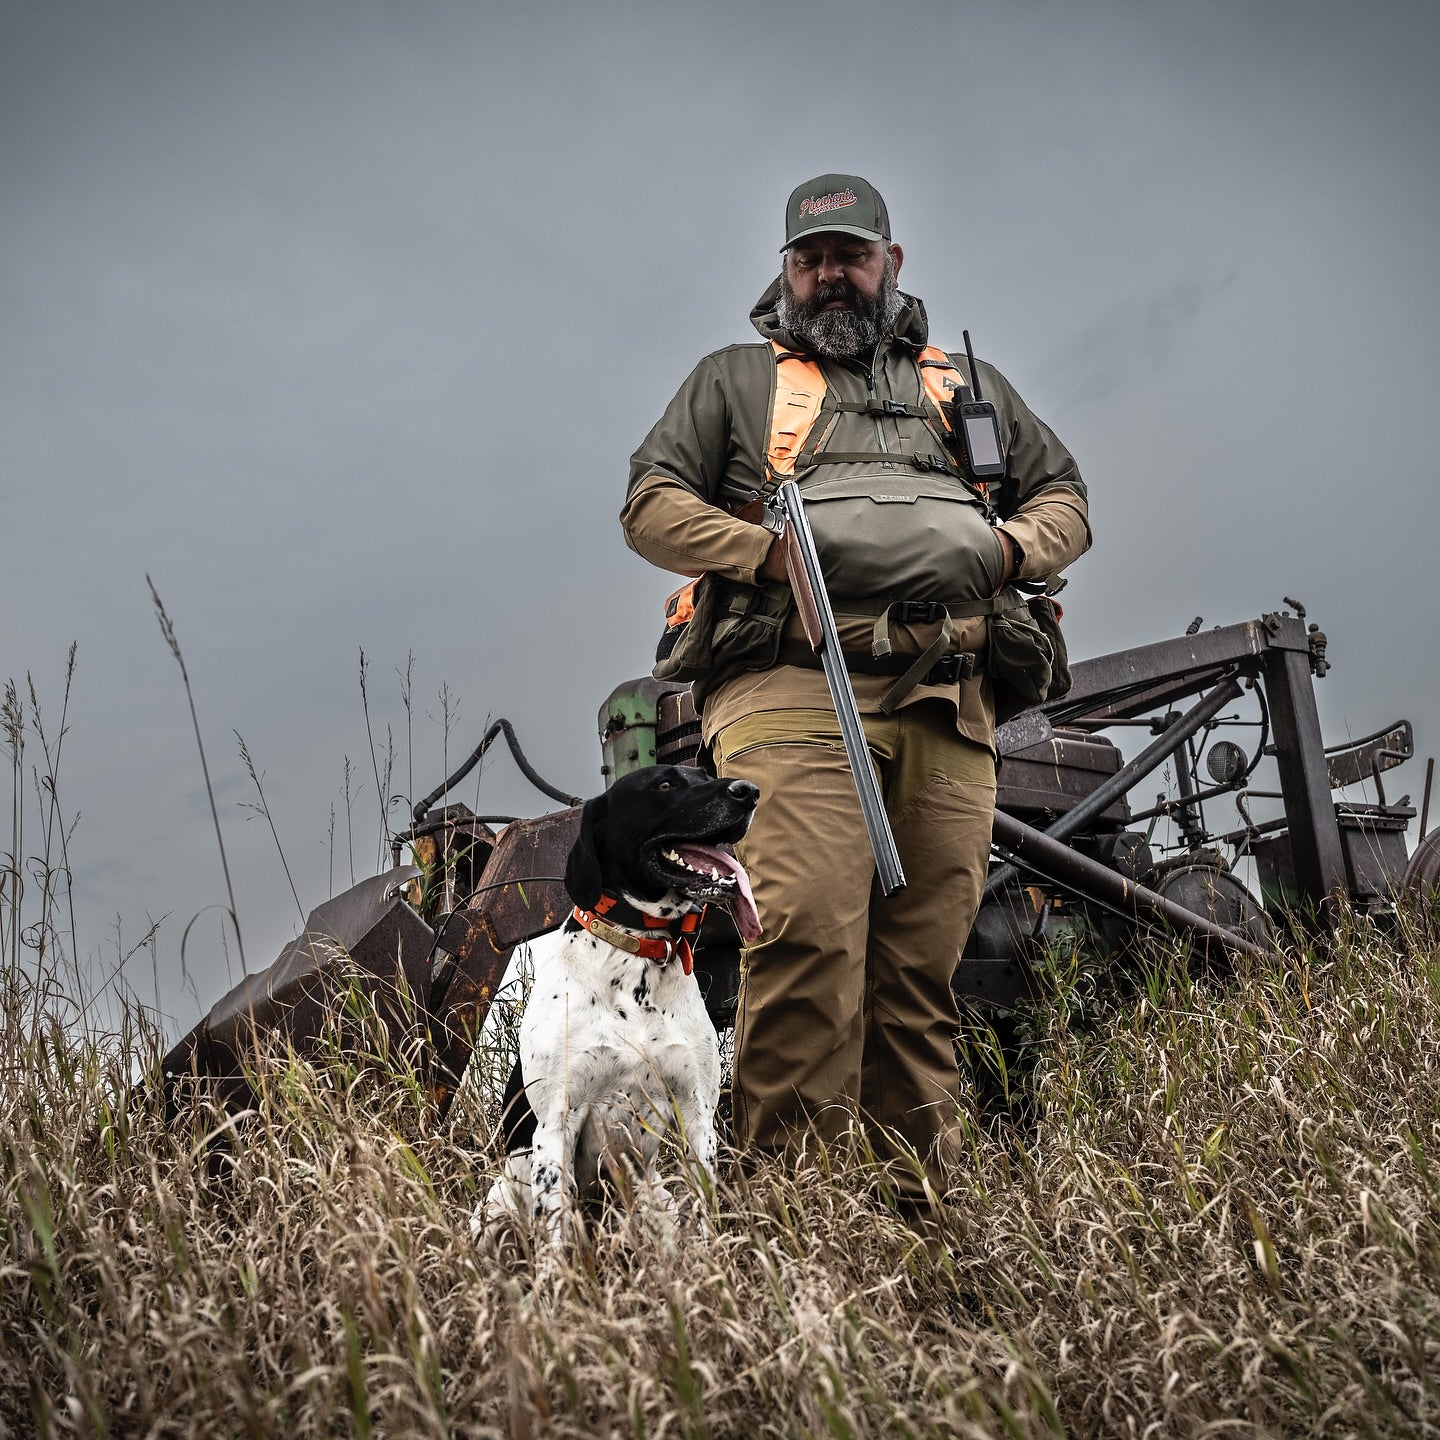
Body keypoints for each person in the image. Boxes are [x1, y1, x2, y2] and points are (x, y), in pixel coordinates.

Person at [620, 173, 1090, 1211]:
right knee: (805, 952)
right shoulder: (738, 381)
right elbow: (651, 506)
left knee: (922, 984)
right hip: (796, 694)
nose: (830, 275)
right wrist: (762, 552)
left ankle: (917, 1235)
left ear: (892, 263)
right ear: (786, 270)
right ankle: (798, 1238)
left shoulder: (963, 389)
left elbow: (1066, 497)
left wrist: (1012, 549)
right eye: (809, 258)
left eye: (850, 255)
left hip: (951, 706)